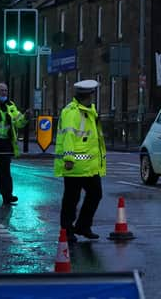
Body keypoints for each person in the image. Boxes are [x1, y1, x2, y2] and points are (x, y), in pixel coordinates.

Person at [54, 79, 106, 242]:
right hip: (75, 165)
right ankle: (67, 230)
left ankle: (83, 226)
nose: (93, 98)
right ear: (87, 95)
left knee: (95, 194)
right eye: (92, 95)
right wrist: (69, 158)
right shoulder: (72, 112)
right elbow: (69, 136)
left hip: (89, 165)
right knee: (71, 198)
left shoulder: (88, 111)